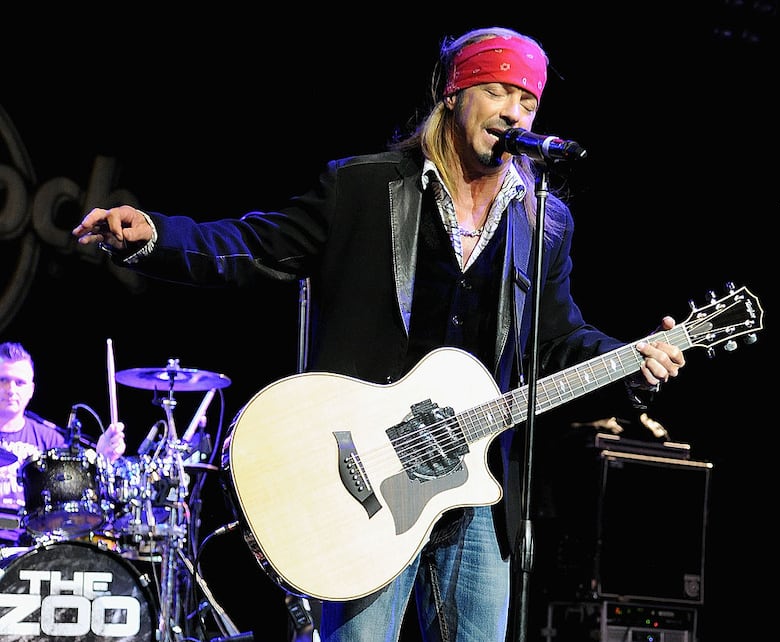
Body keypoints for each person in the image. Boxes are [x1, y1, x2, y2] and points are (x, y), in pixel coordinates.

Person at [72, 25, 685, 642]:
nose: (513, 113)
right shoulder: (365, 186)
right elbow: (255, 247)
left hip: (474, 486)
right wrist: (156, 235)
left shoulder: (542, 221)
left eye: (527, 102)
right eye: (498, 92)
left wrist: (629, 361)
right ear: (455, 94)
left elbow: (554, 340)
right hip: (365, 474)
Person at [0, 341, 126, 548]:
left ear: (31, 389)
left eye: (19, 382)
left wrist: (102, 457)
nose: (11, 389)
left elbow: (76, 494)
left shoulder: (52, 441)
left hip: (33, 545)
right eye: (3, 380)